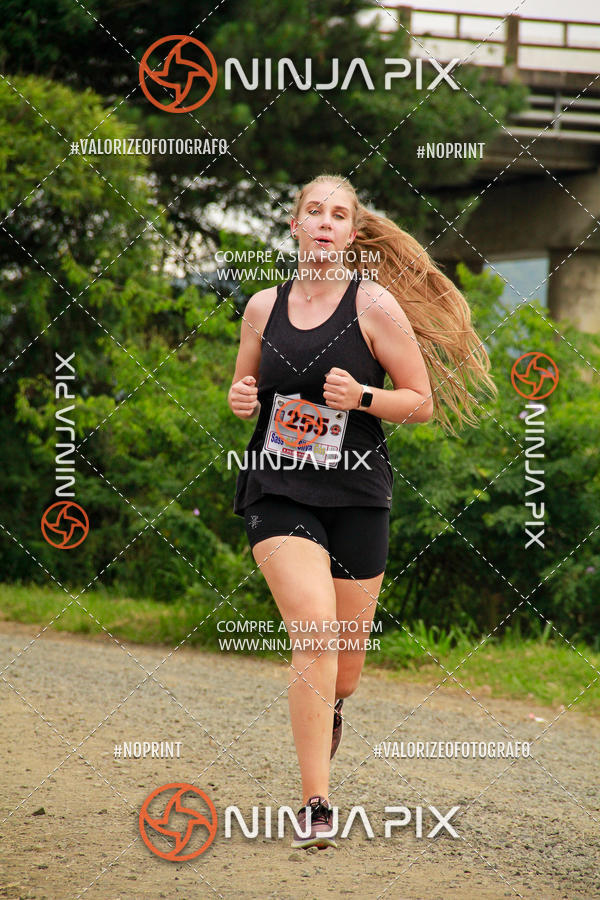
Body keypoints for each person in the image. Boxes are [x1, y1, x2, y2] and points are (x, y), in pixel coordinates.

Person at [227, 173, 496, 850]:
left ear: (352, 233)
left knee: (343, 668)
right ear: (294, 226)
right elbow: (247, 384)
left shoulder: (373, 304)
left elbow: (421, 400)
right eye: (312, 211)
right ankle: (317, 801)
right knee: (314, 634)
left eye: (337, 213)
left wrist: (363, 399)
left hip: (357, 495)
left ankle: (335, 705)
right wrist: (240, 398)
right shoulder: (262, 306)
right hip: (278, 491)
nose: (324, 222)